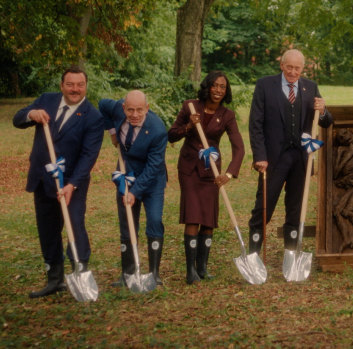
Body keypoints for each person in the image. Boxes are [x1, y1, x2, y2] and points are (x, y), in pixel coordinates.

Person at [13, 66, 104, 298]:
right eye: (70, 84)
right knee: (48, 229)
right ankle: (54, 279)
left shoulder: (93, 117)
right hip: (43, 179)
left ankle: (79, 269)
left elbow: (88, 156)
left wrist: (72, 184)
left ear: (86, 86)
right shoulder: (47, 100)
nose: (75, 89)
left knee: (74, 223)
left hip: (73, 182)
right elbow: (17, 119)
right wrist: (30, 114)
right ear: (62, 85)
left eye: (80, 85)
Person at [247, 49, 333, 254]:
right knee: (264, 208)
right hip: (273, 159)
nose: (293, 72)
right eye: (289, 67)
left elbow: (327, 122)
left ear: (303, 68)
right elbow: (255, 124)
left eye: (297, 68)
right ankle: (253, 254)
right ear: (282, 65)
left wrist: (323, 110)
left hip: (301, 160)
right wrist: (260, 156)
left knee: (295, 210)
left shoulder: (310, 87)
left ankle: (291, 254)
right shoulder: (265, 85)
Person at [168, 71, 245, 284]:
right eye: (215, 86)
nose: (219, 90)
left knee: (209, 219)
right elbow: (172, 135)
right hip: (190, 168)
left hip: (212, 170)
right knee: (193, 216)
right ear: (207, 87)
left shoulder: (227, 115)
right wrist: (189, 126)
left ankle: (202, 268)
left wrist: (229, 173)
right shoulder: (190, 106)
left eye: (223, 87)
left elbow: (239, 148)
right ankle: (190, 271)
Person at [99, 90, 168, 286]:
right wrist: (112, 132)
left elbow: (154, 166)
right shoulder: (117, 110)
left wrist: (135, 192)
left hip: (152, 180)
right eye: (130, 110)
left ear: (147, 108)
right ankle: (128, 273)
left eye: (139, 110)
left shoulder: (158, 130)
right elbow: (103, 103)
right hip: (126, 174)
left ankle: (154, 274)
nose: (135, 114)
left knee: (154, 220)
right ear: (123, 108)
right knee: (127, 225)